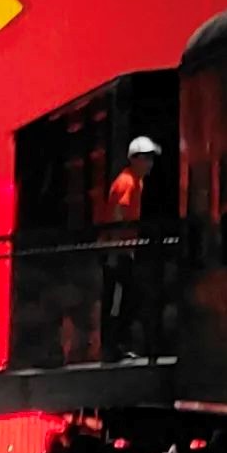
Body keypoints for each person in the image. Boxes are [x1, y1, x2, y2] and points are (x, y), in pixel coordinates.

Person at [101, 136, 160, 361]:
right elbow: (118, 215)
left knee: (125, 297)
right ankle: (113, 346)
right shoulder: (127, 182)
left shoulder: (136, 182)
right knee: (120, 298)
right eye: (147, 158)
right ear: (135, 159)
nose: (150, 163)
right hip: (119, 250)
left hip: (124, 249)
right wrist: (117, 249)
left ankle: (117, 344)